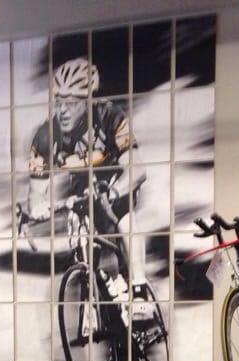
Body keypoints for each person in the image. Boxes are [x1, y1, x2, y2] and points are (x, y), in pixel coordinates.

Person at [26, 57, 153, 310]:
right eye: (59, 101)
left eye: (72, 103)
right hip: (81, 189)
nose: (63, 110)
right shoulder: (45, 136)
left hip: (117, 184)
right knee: (79, 240)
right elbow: (36, 190)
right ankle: (101, 290)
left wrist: (114, 192)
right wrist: (37, 207)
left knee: (124, 217)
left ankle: (139, 290)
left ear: (88, 100)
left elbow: (137, 170)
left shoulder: (111, 116)